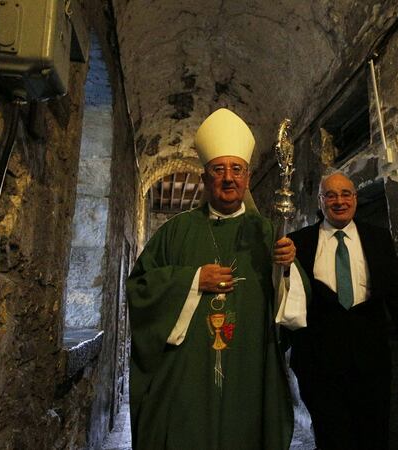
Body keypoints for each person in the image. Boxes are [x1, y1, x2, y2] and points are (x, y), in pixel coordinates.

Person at [126, 108, 307, 450]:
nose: (228, 178)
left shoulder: (266, 232)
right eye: (218, 170)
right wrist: (192, 280)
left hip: (249, 371)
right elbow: (139, 288)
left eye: (236, 170)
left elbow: (292, 309)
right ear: (205, 179)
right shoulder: (175, 232)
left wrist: (286, 268)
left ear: (247, 178)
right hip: (186, 376)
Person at [287, 172, 398, 450]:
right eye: (330, 195)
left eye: (345, 194)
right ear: (320, 201)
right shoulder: (299, 243)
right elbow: (287, 300)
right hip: (319, 367)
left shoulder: (378, 239)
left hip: (371, 363)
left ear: (355, 199)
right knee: (332, 439)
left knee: (374, 436)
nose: (339, 201)